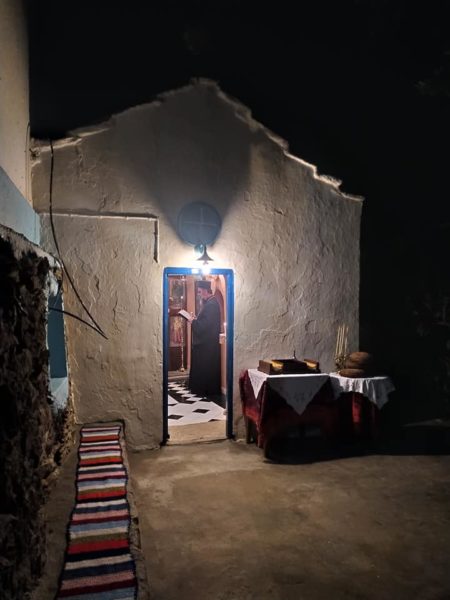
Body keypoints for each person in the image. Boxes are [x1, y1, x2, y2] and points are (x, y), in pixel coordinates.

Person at [187, 280, 221, 398]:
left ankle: (203, 389)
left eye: (200, 292)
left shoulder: (211, 305)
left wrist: (193, 322)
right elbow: (205, 322)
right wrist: (196, 320)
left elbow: (206, 326)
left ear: (206, 291)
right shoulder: (209, 303)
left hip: (207, 345)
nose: (199, 294)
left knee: (205, 368)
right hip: (206, 344)